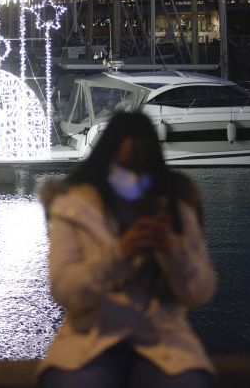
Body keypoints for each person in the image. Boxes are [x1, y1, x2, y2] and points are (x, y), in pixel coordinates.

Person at [38, 111, 217, 388]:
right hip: (91, 338)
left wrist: (172, 250)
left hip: (162, 339)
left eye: (141, 166)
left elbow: (198, 291)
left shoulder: (176, 205)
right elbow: (65, 290)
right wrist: (119, 254)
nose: (132, 175)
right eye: (124, 165)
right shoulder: (73, 209)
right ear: (106, 160)